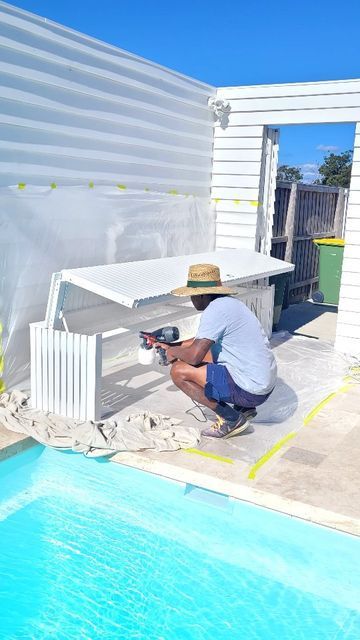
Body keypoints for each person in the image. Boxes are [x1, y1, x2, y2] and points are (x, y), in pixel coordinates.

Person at [156, 263, 277, 439]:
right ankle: (244, 408)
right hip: (263, 383)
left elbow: (195, 356)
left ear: (202, 295)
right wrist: (176, 346)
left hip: (252, 390)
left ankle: (231, 420)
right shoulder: (230, 304)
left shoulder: (214, 310)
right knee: (206, 354)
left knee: (179, 371)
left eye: (192, 296)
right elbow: (201, 343)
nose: (192, 300)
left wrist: (173, 352)